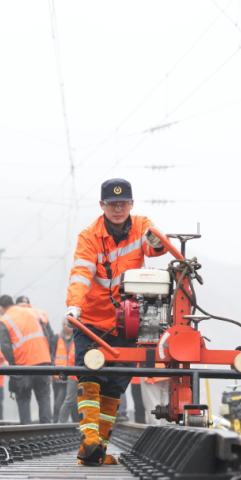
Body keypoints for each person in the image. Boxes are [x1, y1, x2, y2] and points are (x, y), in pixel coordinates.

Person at [65, 178, 167, 465]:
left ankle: (99, 450)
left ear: (131, 205)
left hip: (127, 324)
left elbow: (155, 246)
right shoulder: (89, 237)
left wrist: (158, 242)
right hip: (92, 323)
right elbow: (81, 273)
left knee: (114, 386)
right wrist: (74, 306)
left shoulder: (142, 225)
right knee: (89, 376)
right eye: (112, 204)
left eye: (123, 204)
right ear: (102, 206)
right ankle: (89, 441)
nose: (118, 209)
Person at [0, 294, 52, 424]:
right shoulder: (33, 312)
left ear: (0, 308)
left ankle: (26, 431)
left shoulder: (4, 320)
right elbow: (47, 335)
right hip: (43, 362)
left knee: (23, 398)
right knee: (44, 397)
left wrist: (13, 366)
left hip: (22, 365)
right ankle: (47, 430)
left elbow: (5, 347)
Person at [53, 319, 75, 421]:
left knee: (74, 404)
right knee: (58, 404)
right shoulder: (56, 338)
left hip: (73, 377)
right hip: (59, 378)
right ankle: (57, 424)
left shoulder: (77, 338)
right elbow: (51, 356)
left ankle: (76, 424)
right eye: (64, 324)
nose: (66, 326)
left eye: (68, 324)